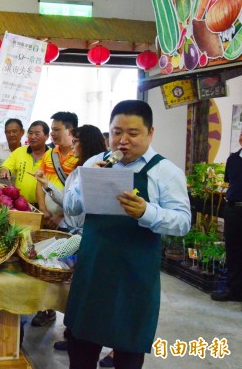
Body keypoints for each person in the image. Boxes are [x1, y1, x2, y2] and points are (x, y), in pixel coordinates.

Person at [63, 100, 191, 369]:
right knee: (80, 346)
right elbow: (71, 208)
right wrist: (84, 185)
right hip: (93, 268)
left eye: (133, 134)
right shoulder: (96, 162)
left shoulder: (165, 172)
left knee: (129, 348)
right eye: (116, 132)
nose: (123, 141)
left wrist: (147, 212)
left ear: (150, 133)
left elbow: (182, 223)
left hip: (135, 274)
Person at [34, 125, 115, 367]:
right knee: (75, 289)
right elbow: (70, 203)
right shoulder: (80, 170)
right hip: (74, 234)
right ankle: (74, 335)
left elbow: (76, 209)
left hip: (83, 238)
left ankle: (112, 348)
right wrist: (47, 184)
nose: (73, 144)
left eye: (76, 140)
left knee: (46, 256)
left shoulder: (96, 169)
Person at [31, 112, 78, 329]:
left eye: (56, 129)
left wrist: (61, 215)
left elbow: (77, 197)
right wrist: (43, 209)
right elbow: (41, 182)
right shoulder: (51, 155)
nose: (53, 134)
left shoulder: (81, 157)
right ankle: (46, 309)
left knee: (68, 271)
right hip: (47, 218)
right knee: (46, 265)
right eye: (52, 129)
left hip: (70, 224)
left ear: (71, 131)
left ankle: (71, 321)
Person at [211, 130, 242, 302]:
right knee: (233, 249)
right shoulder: (233, 159)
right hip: (233, 210)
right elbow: (229, 180)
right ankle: (232, 290)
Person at [0, 120, 50, 205]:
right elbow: (6, 166)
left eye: (37, 134)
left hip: (44, 207)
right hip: (19, 203)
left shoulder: (52, 156)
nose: (32, 137)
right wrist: (5, 171)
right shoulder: (20, 151)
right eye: (30, 133)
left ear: (47, 136)